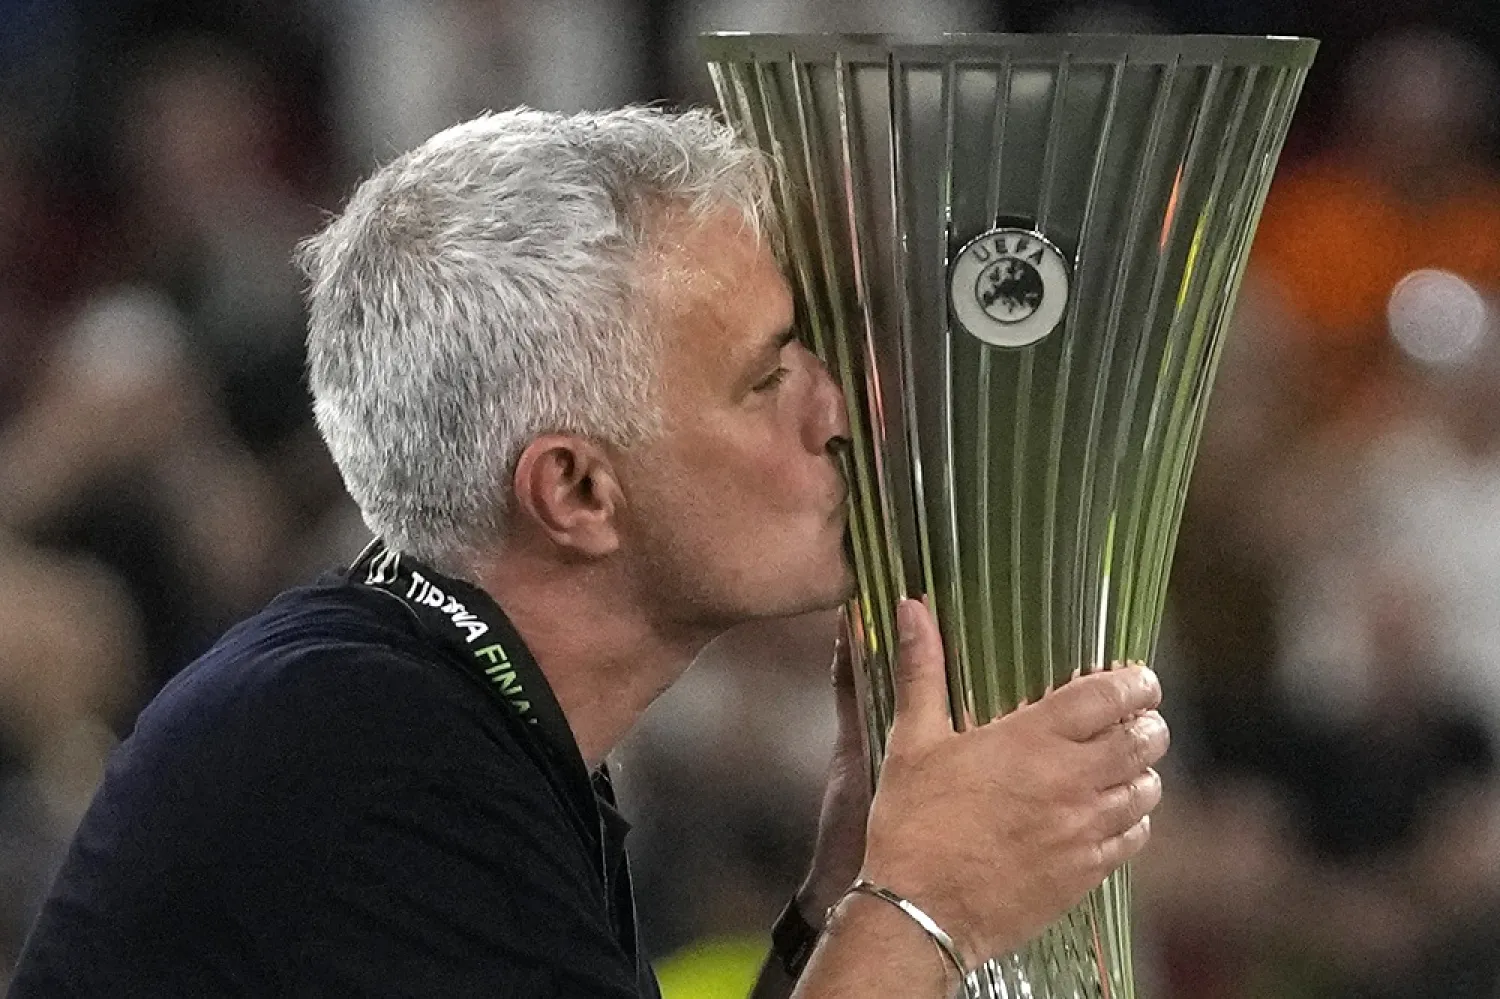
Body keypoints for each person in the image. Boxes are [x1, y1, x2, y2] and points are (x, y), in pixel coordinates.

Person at [8, 107, 1168, 997]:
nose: (840, 410)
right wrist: (925, 907)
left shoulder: (424, 715)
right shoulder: (367, 761)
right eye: (767, 377)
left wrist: (840, 890)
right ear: (575, 491)